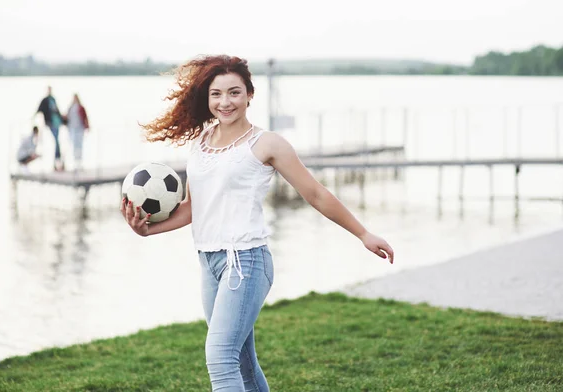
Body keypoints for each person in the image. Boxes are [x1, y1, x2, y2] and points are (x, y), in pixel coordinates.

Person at [120, 55, 394, 391]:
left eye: (234, 93)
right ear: (207, 98)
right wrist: (147, 229)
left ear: (250, 94)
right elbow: (194, 207)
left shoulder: (267, 144)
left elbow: (316, 194)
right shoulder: (201, 143)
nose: (225, 102)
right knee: (243, 364)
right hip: (210, 262)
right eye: (216, 94)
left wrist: (363, 233)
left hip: (246, 262)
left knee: (220, 357)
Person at [35, 86, 65, 171]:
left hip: (57, 123)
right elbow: (40, 109)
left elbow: (57, 111)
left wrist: (63, 120)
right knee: (56, 142)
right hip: (51, 123)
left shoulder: (53, 99)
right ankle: (57, 159)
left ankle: (57, 160)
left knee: (57, 142)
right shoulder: (45, 100)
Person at [65, 93, 90, 171]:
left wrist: (87, 126)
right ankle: (76, 163)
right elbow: (67, 117)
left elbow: (85, 117)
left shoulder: (81, 107)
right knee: (75, 146)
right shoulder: (70, 108)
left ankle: (80, 163)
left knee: (79, 146)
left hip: (80, 129)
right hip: (72, 129)